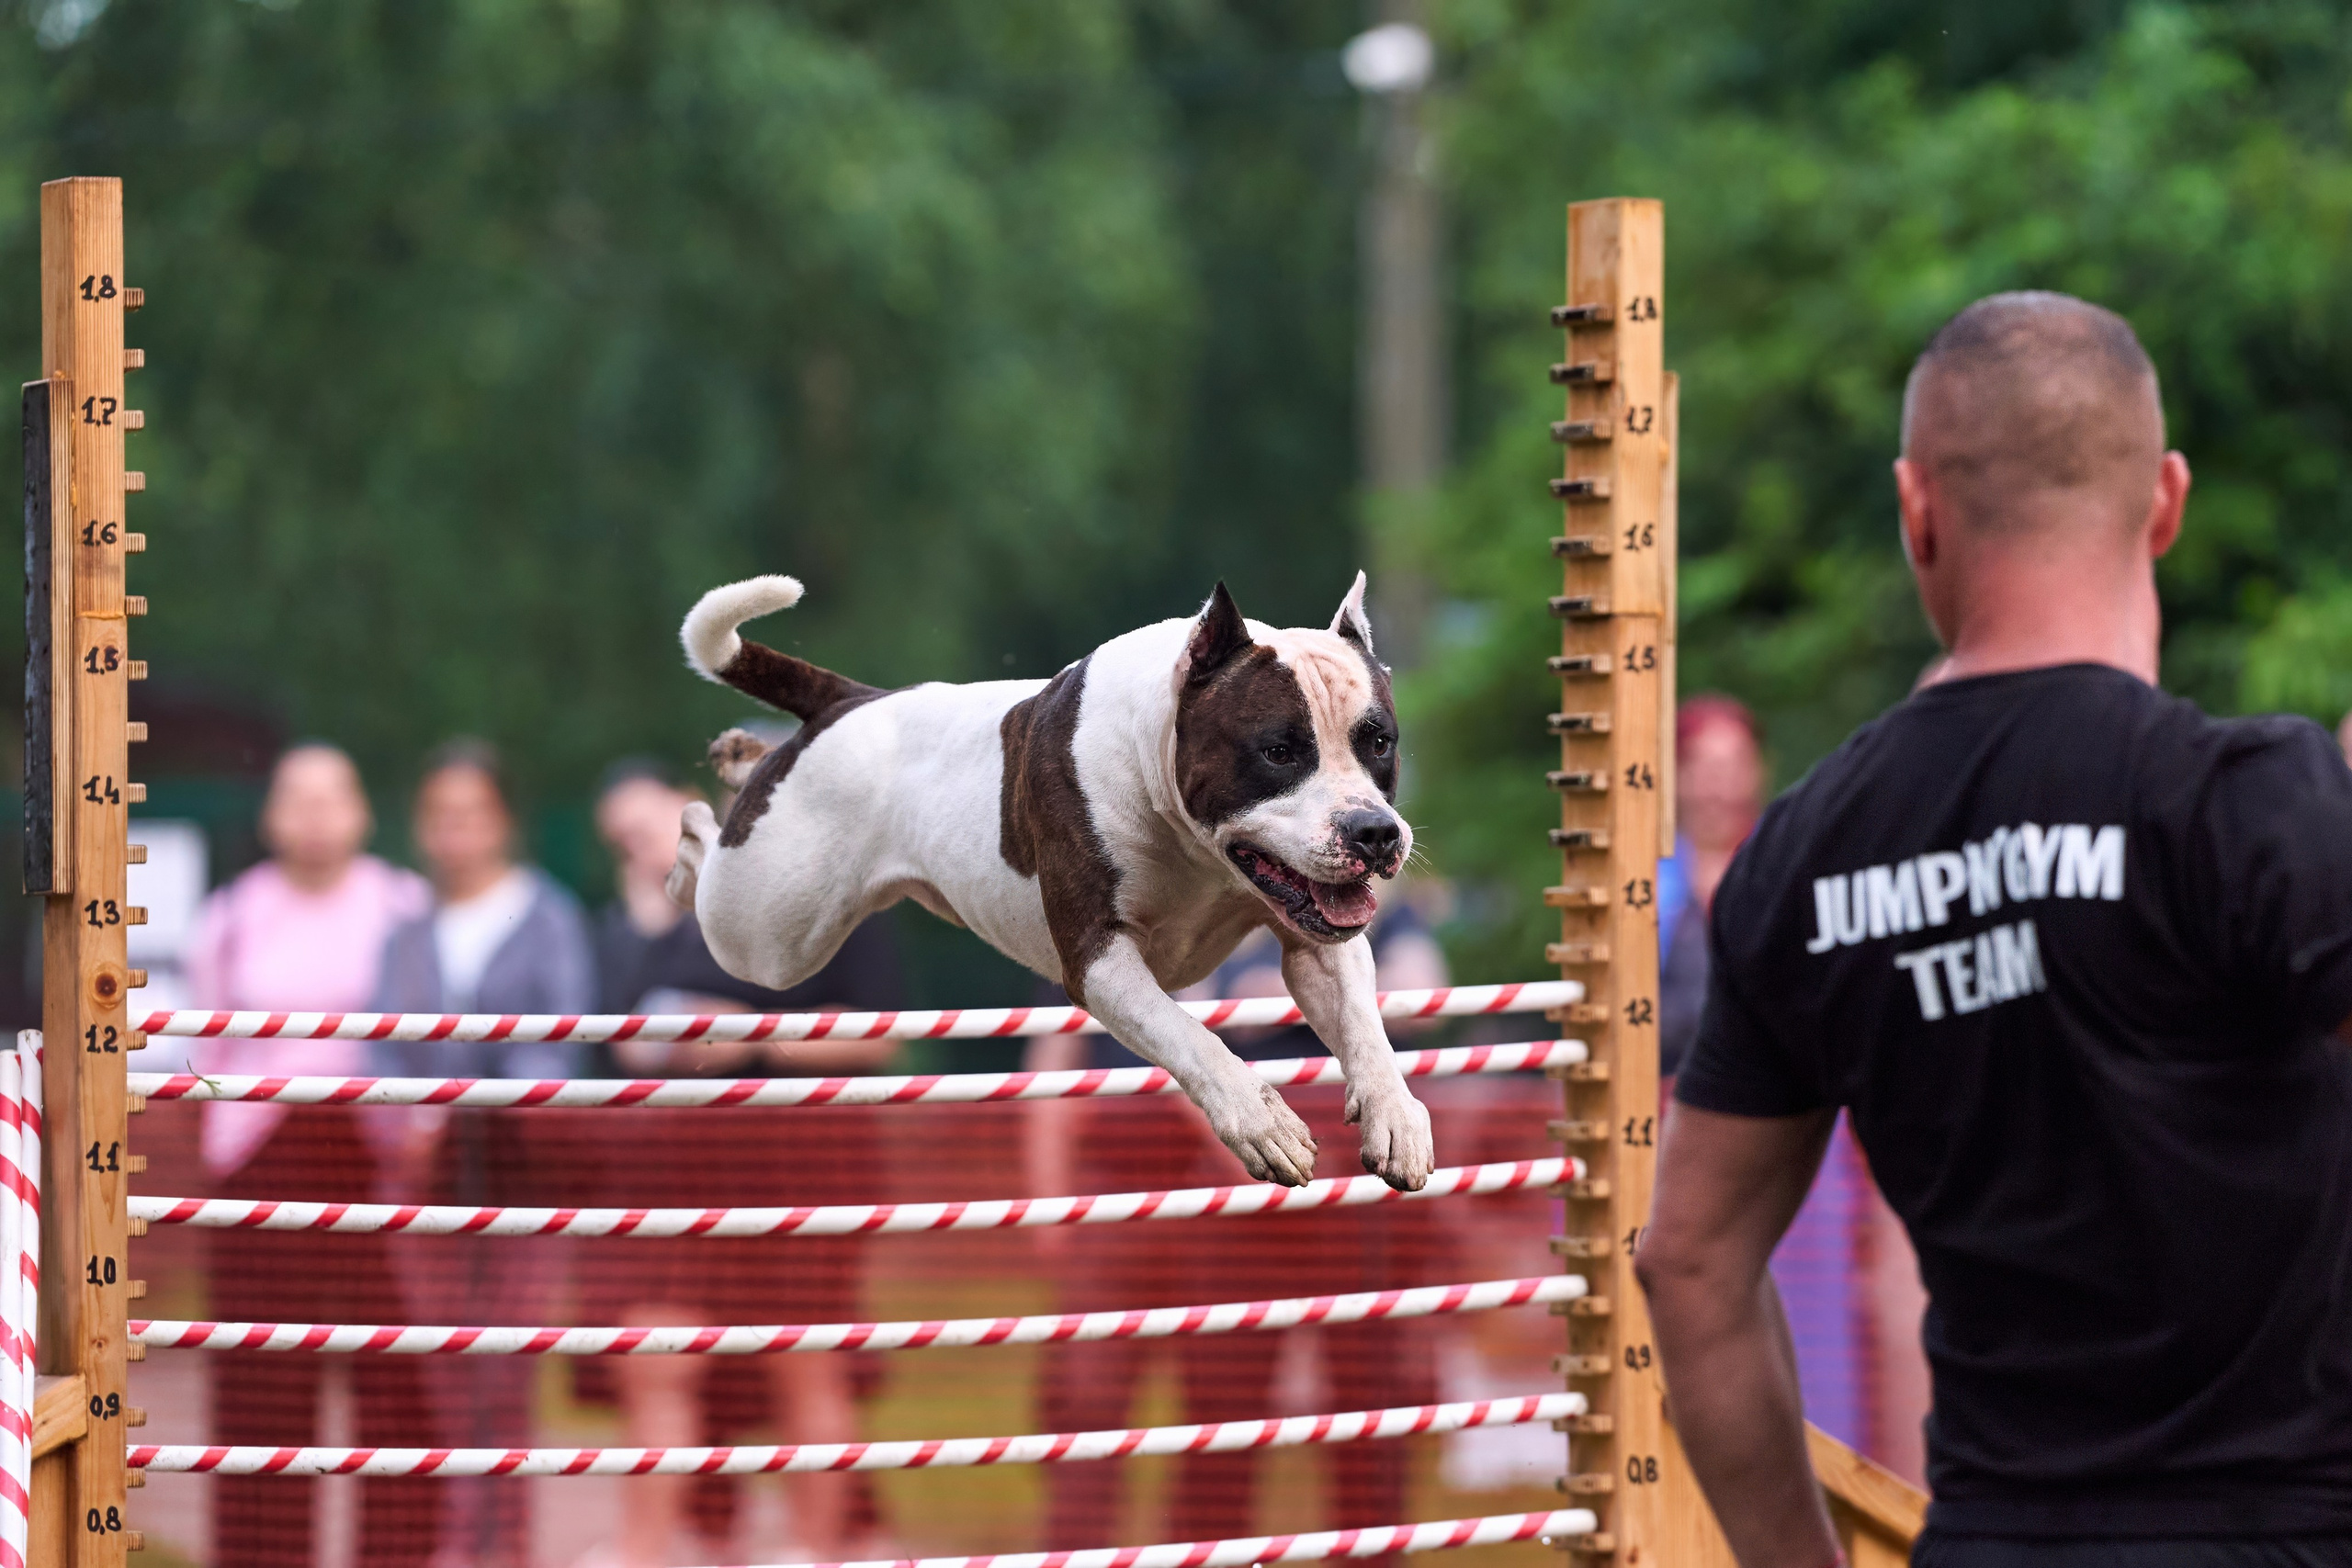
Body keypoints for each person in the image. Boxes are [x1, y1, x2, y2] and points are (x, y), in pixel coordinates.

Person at [1638, 291, 2352, 1565]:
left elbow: (1687, 1265)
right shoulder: (2252, 808)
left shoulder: (1806, 857)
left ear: (1918, 511)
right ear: (2169, 500)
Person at [1024, 895, 1449, 1551]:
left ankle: (1366, 1552)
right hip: (1222, 1194)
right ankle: (1136, 1548)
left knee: (1369, 1397)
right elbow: (1176, 1048)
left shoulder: (1370, 908)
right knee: (1202, 1404)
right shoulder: (1170, 905)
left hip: (1341, 1197)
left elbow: (1427, 990)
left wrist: (1298, 994)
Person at [575, 761, 902, 1568]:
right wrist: (687, 1038)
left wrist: (755, 1035)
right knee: (657, 1363)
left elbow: (884, 1034)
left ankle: (807, 1549)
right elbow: (629, 1038)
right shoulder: (690, 895)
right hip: (679, 1168)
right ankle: (641, 1552)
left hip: (804, 1165)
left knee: (804, 1367)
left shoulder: (858, 898)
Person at [184, 744, 436, 1568]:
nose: (317, 817)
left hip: (377, 1165)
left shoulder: (404, 905)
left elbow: (433, 1039)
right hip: (258, 1165)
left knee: (396, 1387)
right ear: (271, 816)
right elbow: (203, 1049)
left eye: (334, 798)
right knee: (262, 1392)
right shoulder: (230, 913)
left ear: (362, 811)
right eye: (298, 799)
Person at [370, 739, 596, 1568]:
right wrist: (409, 1123)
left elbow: (564, 1040)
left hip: (521, 1189)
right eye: (439, 815)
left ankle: (506, 1550)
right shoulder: (404, 934)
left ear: (503, 820)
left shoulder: (550, 916)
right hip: (422, 1195)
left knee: (506, 1382)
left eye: (470, 813)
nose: (454, 831)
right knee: (446, 1384)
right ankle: (461, 1545)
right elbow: (380, 1051)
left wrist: (485, 1102)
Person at [1656, 696, 1766, 1083]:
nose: (1724, 788)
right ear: (1676, 777)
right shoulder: (1645, 883)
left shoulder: (1782, 868)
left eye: (1737, 766)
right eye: (1708, 770)